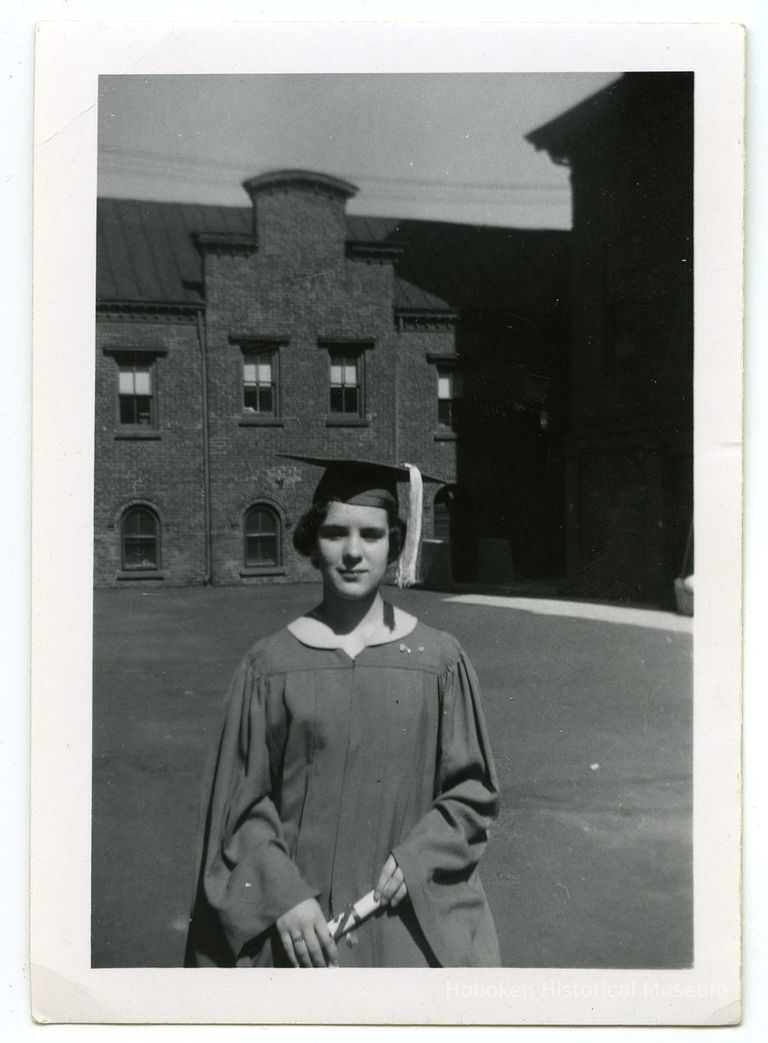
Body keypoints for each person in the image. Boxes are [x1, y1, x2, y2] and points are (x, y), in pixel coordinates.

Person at [184, 456, 501, 968]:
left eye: (372, 536)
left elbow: (472, 792)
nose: (354, 552)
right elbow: (237, 805)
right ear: (313, 543)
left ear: (395, 545)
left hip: (407, 926)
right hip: (300, 933)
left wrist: (420, 856)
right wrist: (280, 893)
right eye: (335, 533)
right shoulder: (270, 666)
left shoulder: (439, 661)